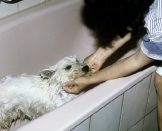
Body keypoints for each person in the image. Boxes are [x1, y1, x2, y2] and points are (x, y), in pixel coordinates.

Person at [62, 0, 162, 130]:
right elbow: (136, 14)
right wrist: (98, 57)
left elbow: (137, 60)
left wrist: (89, 80)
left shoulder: (158, 26)